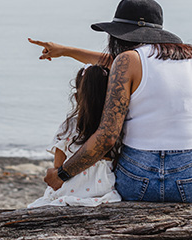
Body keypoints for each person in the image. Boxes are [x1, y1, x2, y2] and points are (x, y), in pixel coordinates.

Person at [29, 0, 192, 203]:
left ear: (120, 35)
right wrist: (67, 51)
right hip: (191, 184)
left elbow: (107, 137)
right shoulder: (190, 58)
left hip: (139, 182)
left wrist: (61, 175)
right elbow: (117, 63)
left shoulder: (128, 61)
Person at [28, 64, 122, 208]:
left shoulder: (69, 126)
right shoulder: (117, 129)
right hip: (103, 195)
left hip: (69, 192)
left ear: (77, 97)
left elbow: (58, 166)